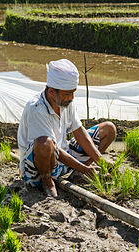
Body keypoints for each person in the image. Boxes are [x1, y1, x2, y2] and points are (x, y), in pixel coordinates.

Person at [17, 59, 116, 197]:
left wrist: (99, 159)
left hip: (62, 156)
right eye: (67, 94)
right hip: (38, 167)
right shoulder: (37, 109)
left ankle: (77, 174)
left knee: (108, 129)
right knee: (45, 143)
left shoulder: (65, 102)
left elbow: (79, 132)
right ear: (52, 92)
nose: (71, 98)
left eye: (73, 92)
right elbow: (51, 147)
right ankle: (47, 181)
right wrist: (84, 168)